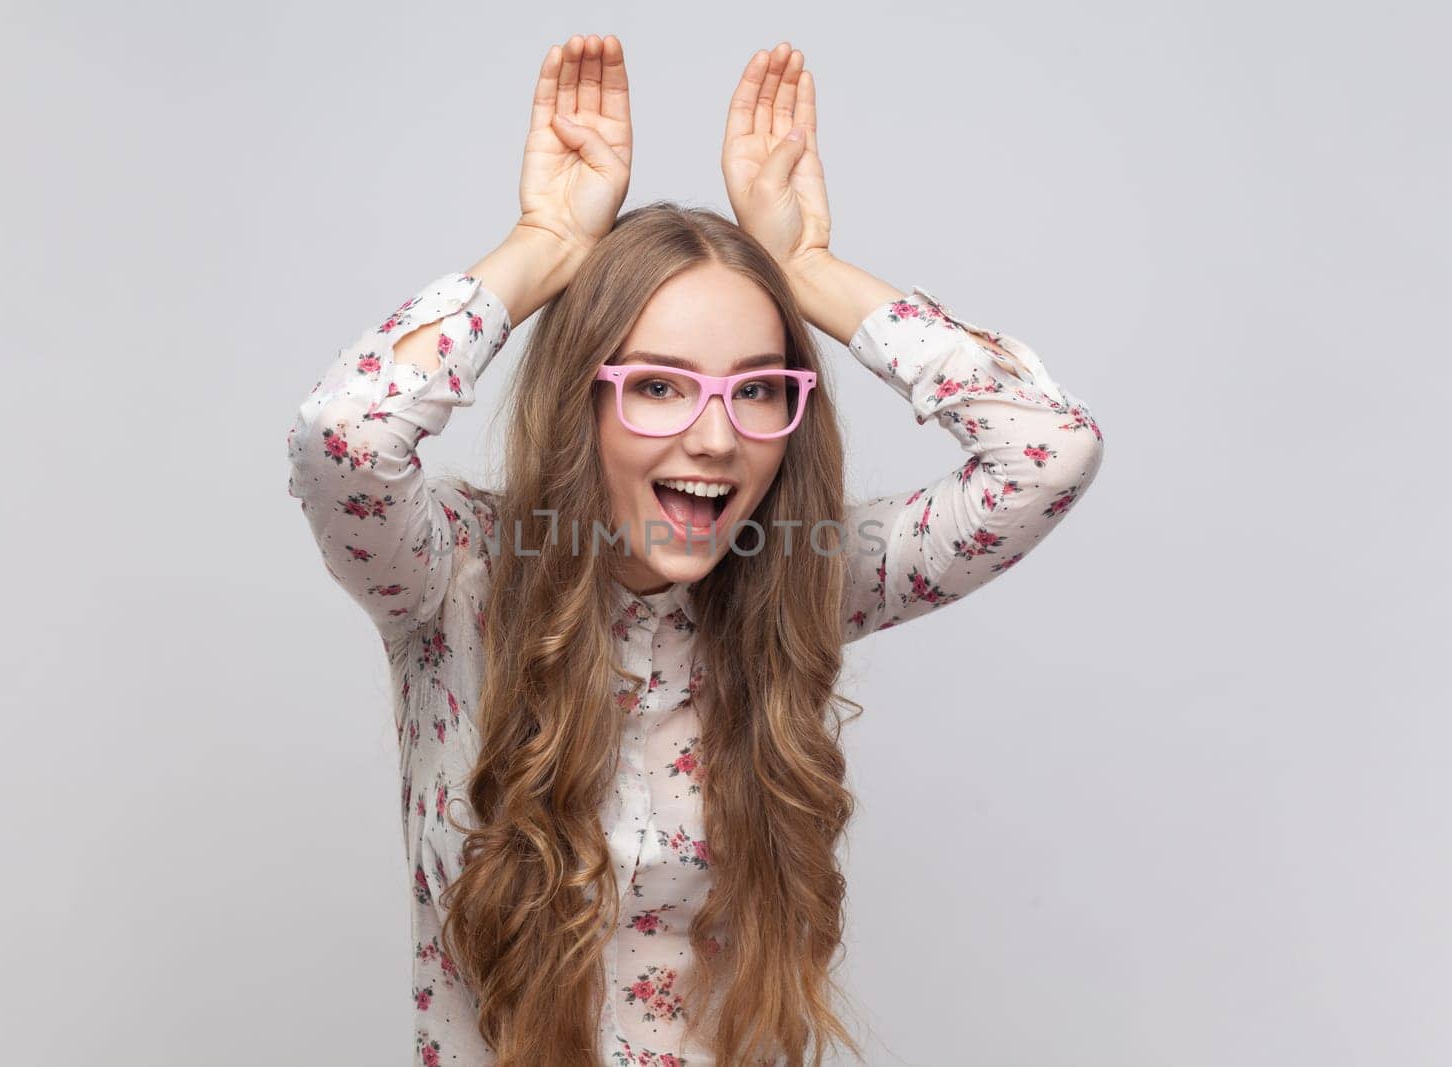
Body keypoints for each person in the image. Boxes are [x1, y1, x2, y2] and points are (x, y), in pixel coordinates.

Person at [286, 34, 1104, 1067]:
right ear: (581, 396)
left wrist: (808, 269)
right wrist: (540, 245)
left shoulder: (798, 571)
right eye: (660, 385)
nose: (715, 437)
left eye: (756, 387)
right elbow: (342, 438)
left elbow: (1047, 450)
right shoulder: (456, 571)